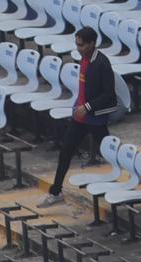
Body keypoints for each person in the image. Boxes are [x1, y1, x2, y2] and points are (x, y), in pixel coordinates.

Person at [43, 27, 118, 205]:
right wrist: (79, 106)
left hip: (95, 117)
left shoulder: (102, 63)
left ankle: (129, 178)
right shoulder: (83, 58)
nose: (78, 48)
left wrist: (87, 107)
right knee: (65, 152)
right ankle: (55, 192)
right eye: (77, 44)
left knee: (110, 153)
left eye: (82, 45)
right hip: (80, 116)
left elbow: (109, 94)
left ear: (92, 44)